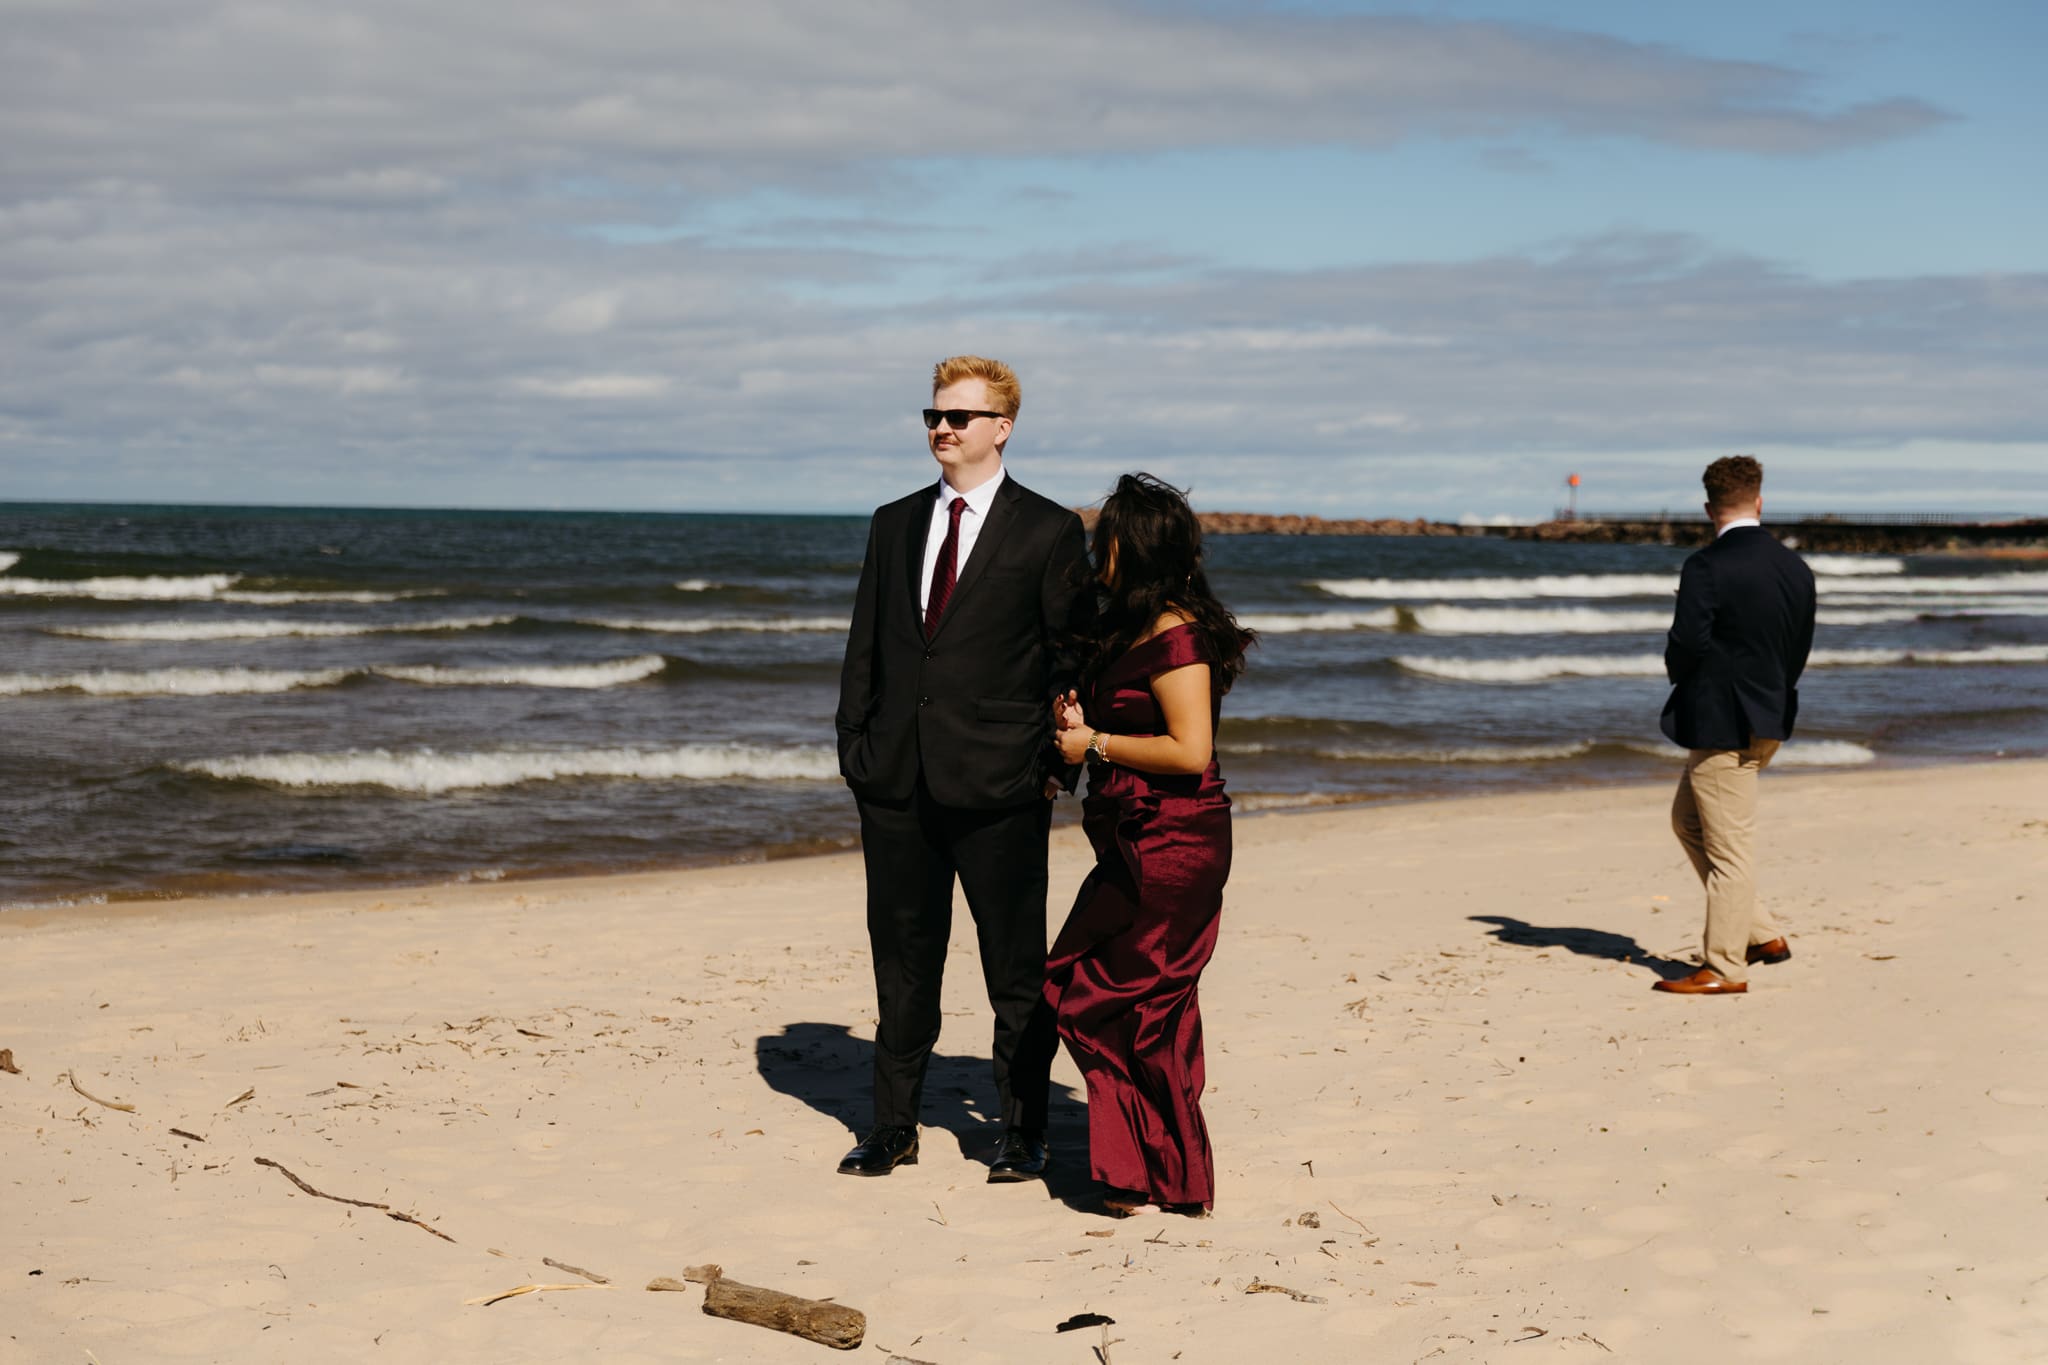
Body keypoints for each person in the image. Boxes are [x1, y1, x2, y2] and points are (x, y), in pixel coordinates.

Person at [833, 355, 1094, 1179]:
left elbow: (1070, 658)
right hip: (897, 785)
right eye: (934, 416)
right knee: (902, 960)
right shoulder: (893, 521)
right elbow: (865, 649)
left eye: (960, 417)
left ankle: (1021, 1129)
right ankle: (893, 1125)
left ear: (1002, 428)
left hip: (1002, 786)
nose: (942, 428)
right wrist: (857, 751)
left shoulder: (1049, 529)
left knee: (1014, 968)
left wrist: (1056, 770)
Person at [1026, 472, 1253, 1214]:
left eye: (1108, 541)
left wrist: (1096, 742)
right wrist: (1077, 710)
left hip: (1173, 840)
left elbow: (1191, 751)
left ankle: (1142, 1170)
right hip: (1133, 835)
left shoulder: (1179, 634)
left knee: (1086, 989)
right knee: (1149, 1001)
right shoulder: (1135, 626)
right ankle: (1164, 1173)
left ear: (1139, 548)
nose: (1098, 553)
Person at [1654, 455, 1817, 996]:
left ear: (1708, 509)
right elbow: (1798, 648)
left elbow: (1687, 644)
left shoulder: (1706, 566)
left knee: (1729, 851)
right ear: (1759, 501)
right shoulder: (1795, 568)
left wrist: (1681, 678)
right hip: (1770, 713)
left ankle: (1724, 968)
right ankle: (1763, 936)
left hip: (1721, 721)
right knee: (1689, 821)